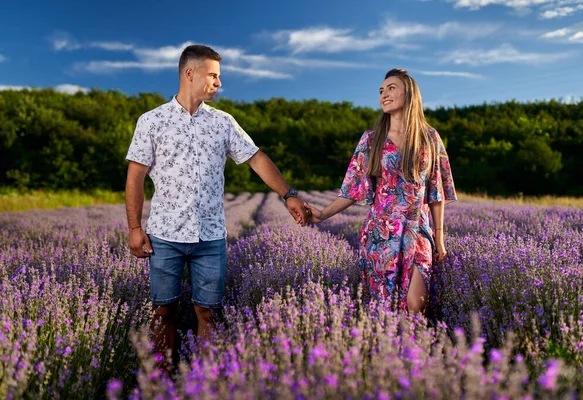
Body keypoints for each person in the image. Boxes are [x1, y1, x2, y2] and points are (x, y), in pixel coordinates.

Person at [124, 44, 309, 368]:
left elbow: (257, 159)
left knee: (208, 312)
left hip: (210, 238)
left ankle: (205, 382)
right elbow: (135, 176)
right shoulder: (152, 121)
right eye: (213, 75)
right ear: (189, 74)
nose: (219, 83)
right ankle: (161, 381)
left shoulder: (223, 122)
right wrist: (135, 228)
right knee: (162, 310)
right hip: (164, 235)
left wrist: (288, 193)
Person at [304, 68, 457, 314]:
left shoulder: (429, 137)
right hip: (381, 234)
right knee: (384, 308)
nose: (384, 94)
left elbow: (436, 190)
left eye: (391, 88)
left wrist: (439, 238)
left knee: (416, 304)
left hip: (418, 229)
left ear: (409, 93)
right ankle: (391, 352)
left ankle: (416, 350)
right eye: (381, 91)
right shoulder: (371, 139)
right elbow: (353, 189)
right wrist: (322, 214)